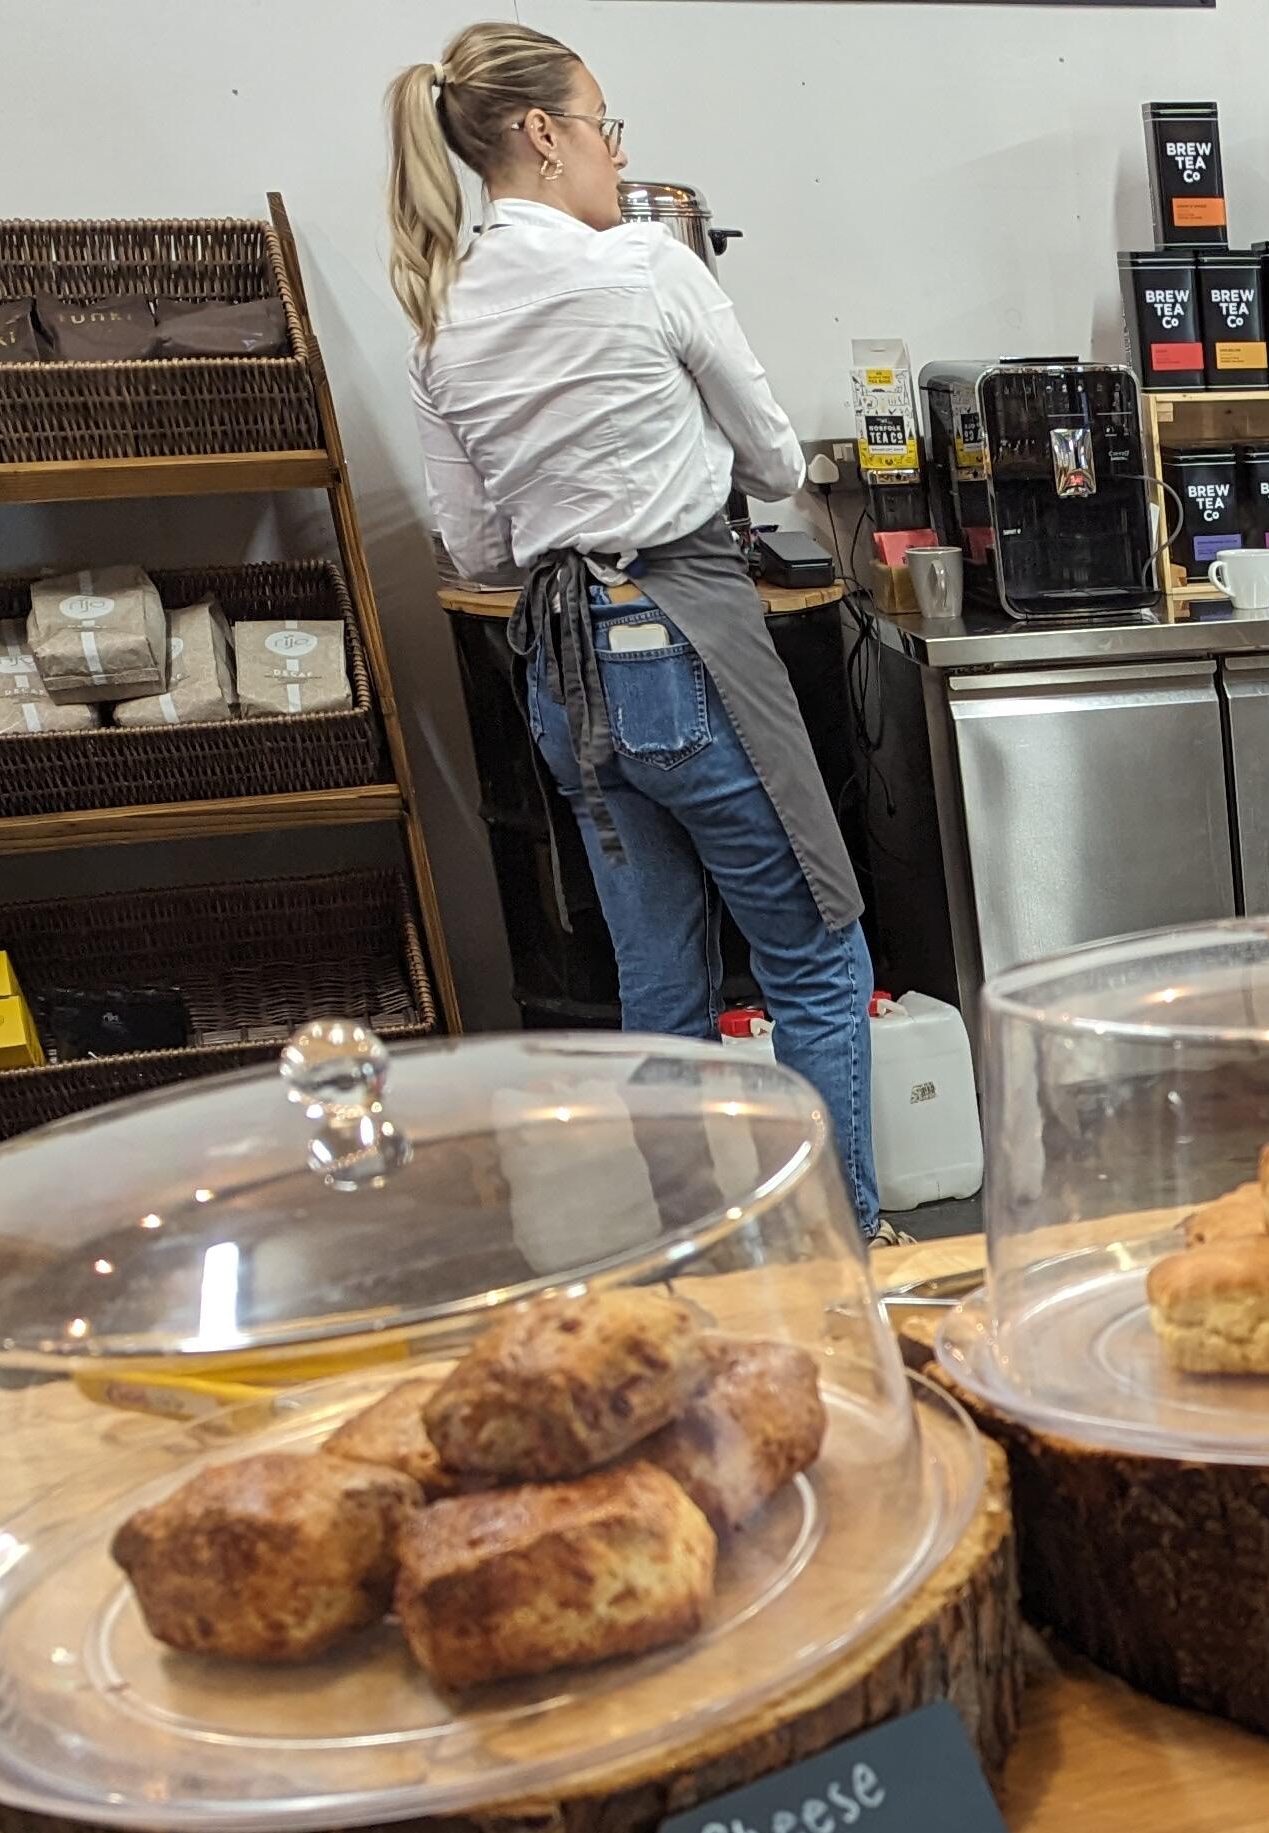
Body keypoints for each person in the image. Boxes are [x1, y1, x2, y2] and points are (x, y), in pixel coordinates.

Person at [386, 21, 889, 1235]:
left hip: (565, 676)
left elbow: (479, 550)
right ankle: (838, 1249)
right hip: (688, 635)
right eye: (603, 125)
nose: (616, 151)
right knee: (817, 959)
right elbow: (776, 466)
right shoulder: (647, 269)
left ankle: (693, 1261)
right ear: (544, 134)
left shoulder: (441, 319)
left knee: (659, 989)